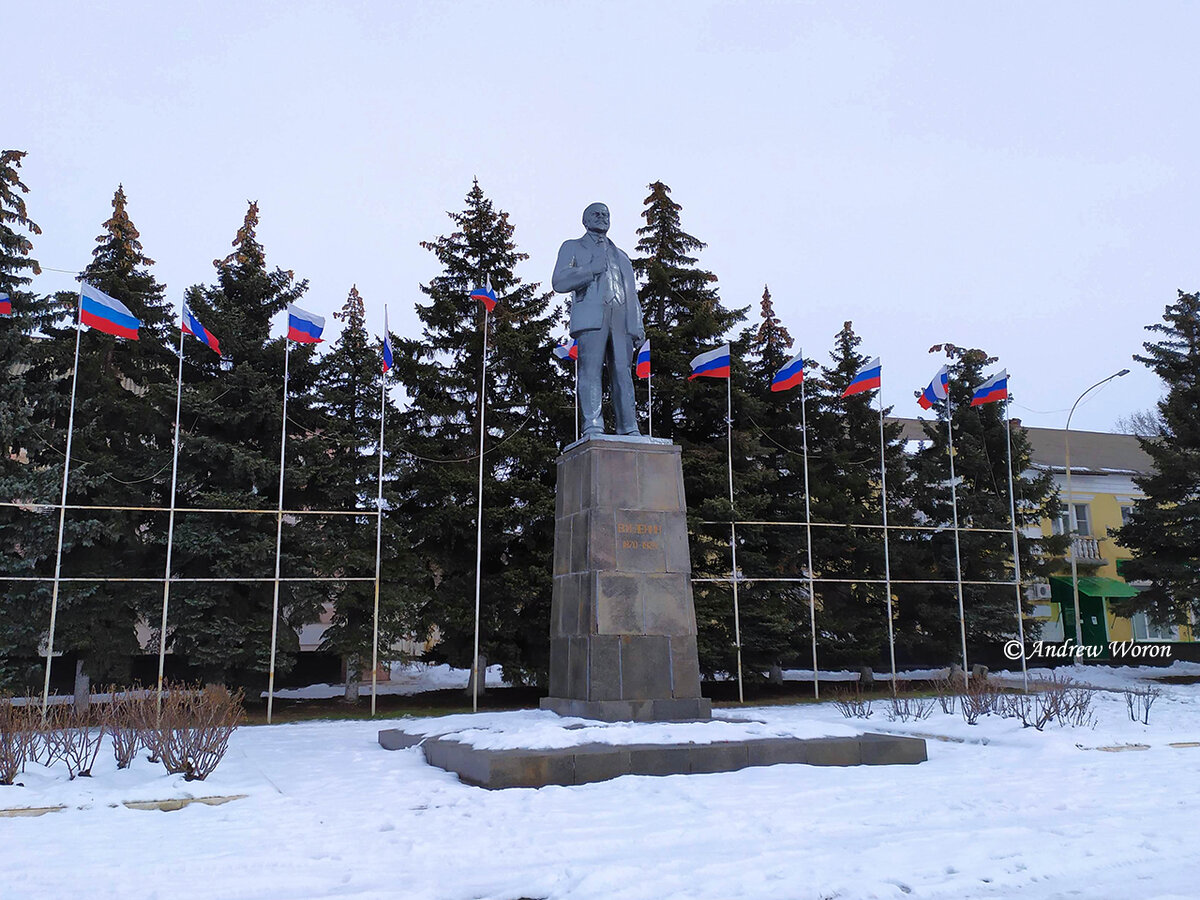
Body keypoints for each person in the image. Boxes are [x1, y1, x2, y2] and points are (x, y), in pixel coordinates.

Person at [552, 202, 645, 437]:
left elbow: (631, 293)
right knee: (590, 372)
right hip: (591, 317)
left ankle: (628, 426)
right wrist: (590, 270)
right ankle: (593, 424)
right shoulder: (573, 247)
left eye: (606, 214)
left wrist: (638, 324)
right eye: (596, 214)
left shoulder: (622, 256)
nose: (602, 218)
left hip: (622, 320)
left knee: (623, 373)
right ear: (585, 220)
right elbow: (559, 281)